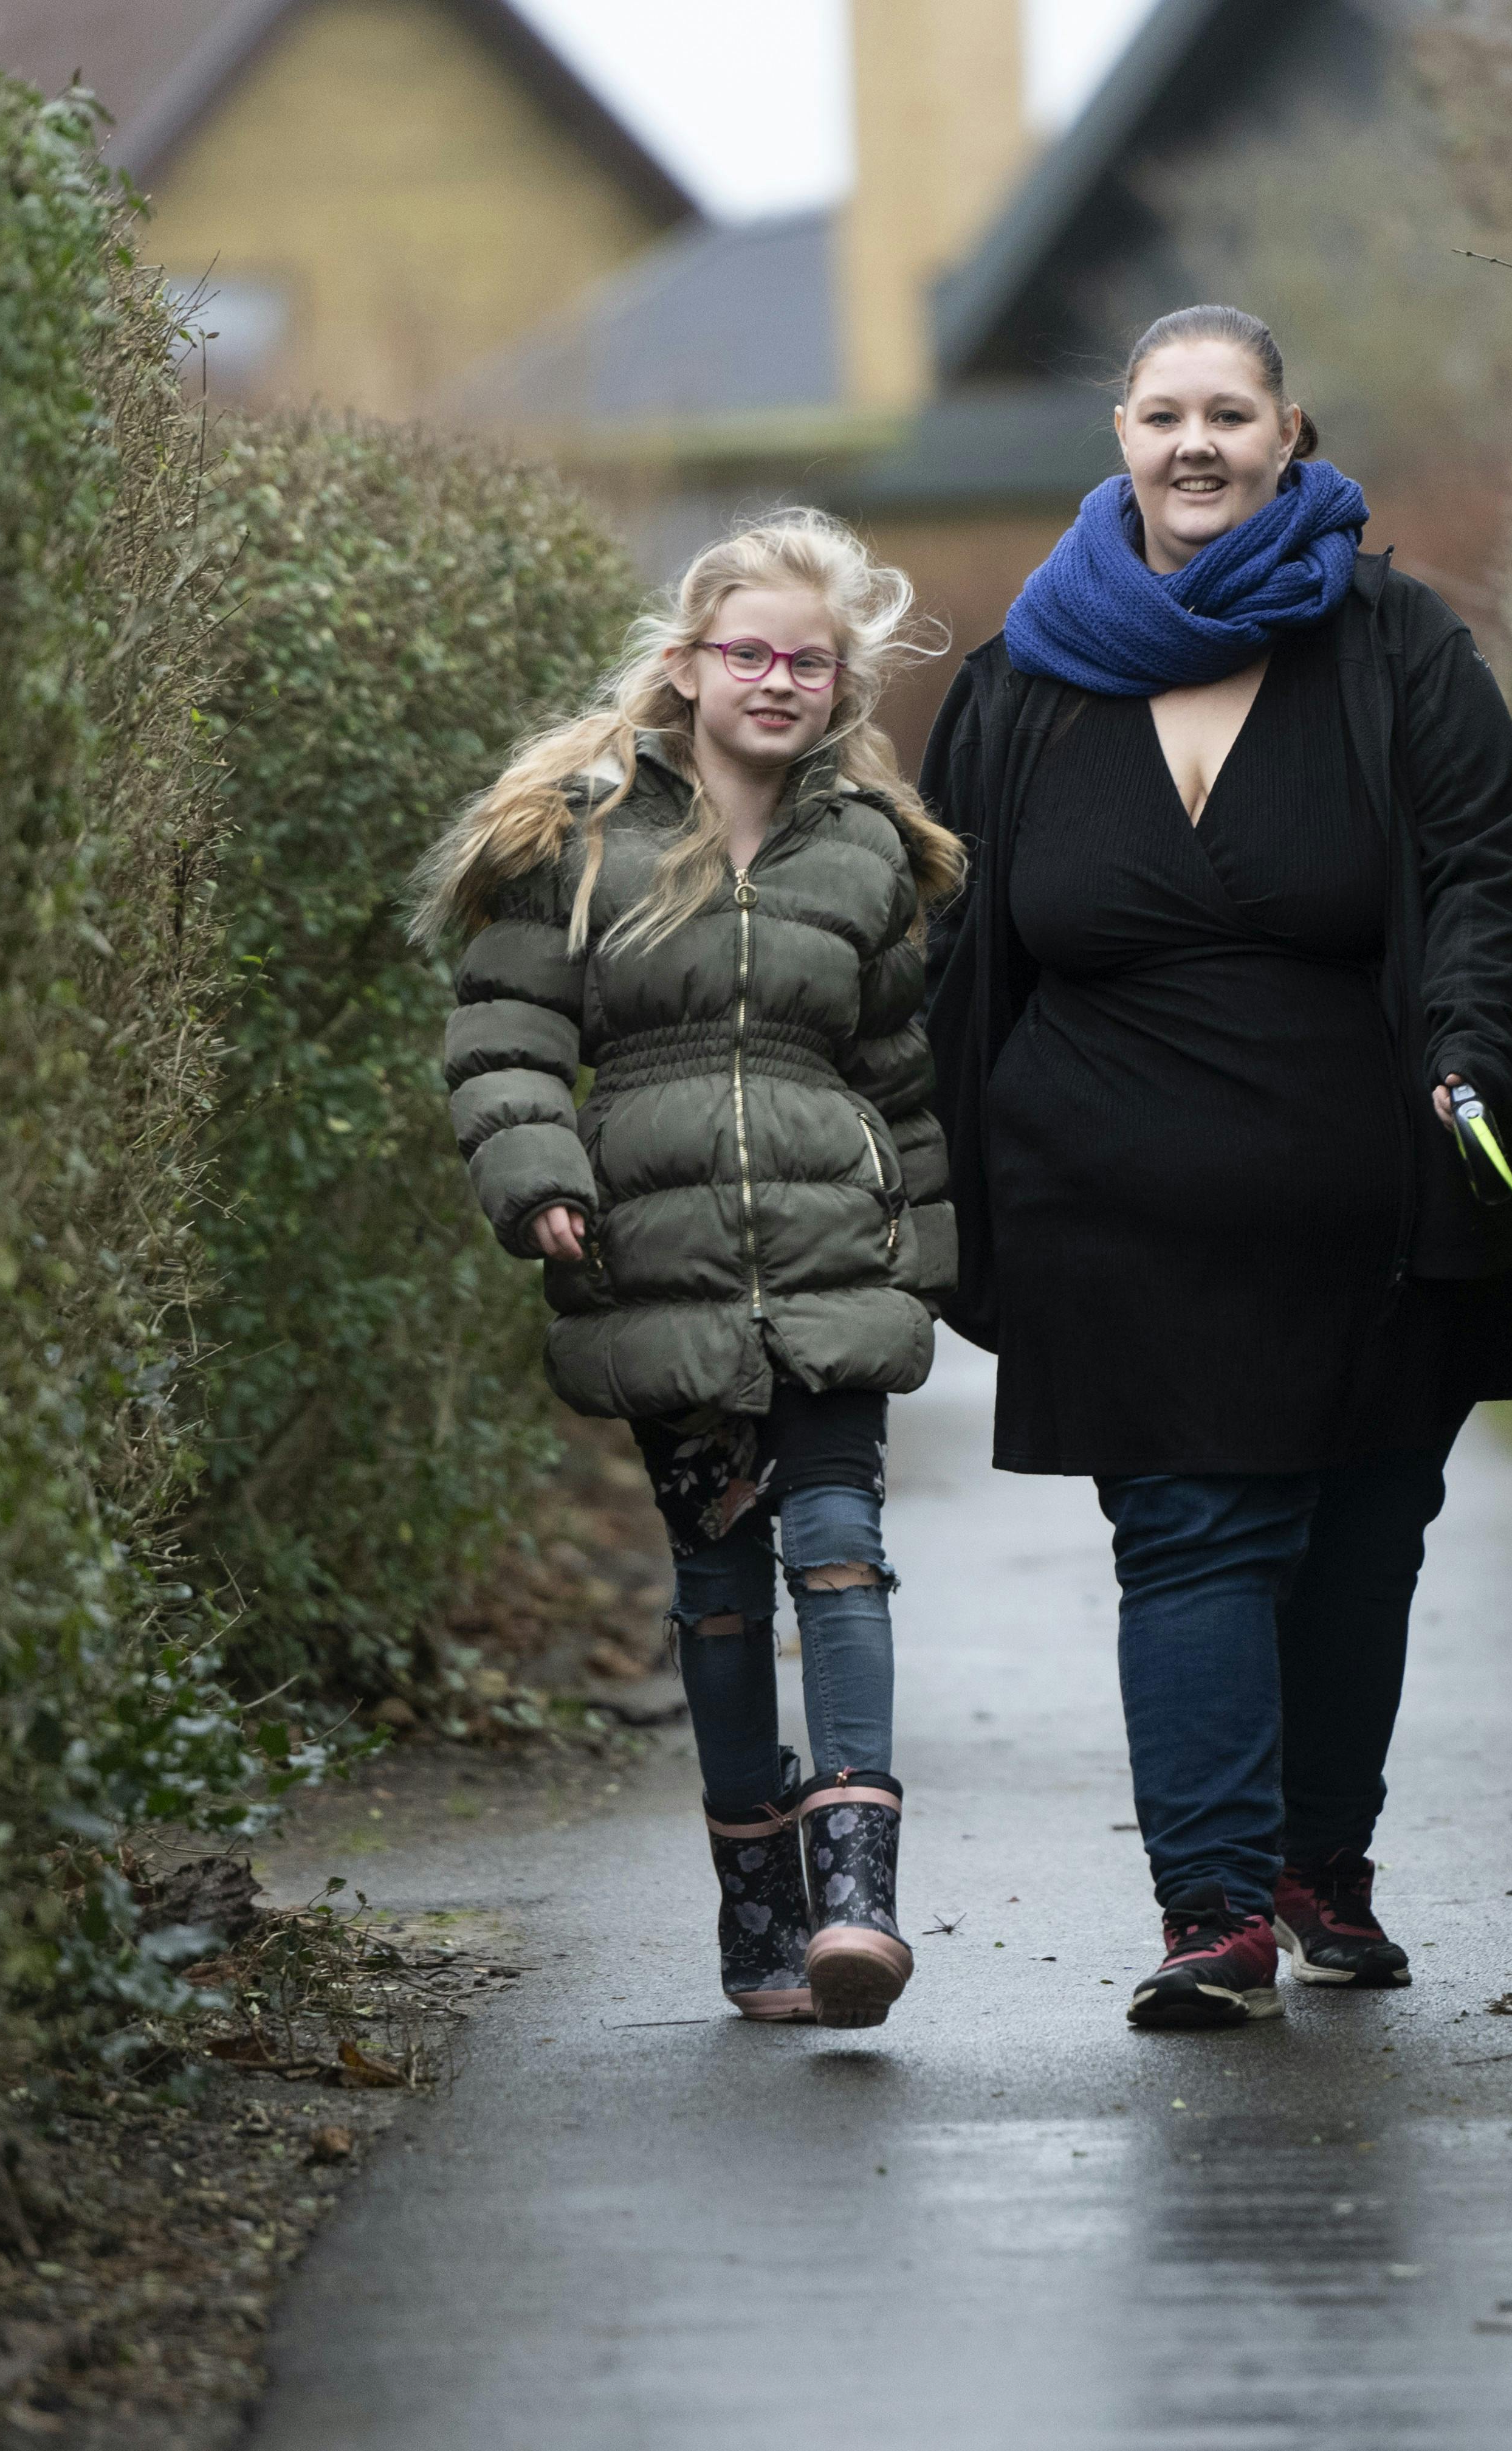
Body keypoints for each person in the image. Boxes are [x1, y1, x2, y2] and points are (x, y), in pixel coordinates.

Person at [920, 305, 1512, 2031]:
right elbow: (948, 933)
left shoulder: (1395, 647)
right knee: (1195, 1531)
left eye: (1230, 413)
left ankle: (1319, 1870)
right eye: (1162, 414)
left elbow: (1484, 862)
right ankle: (1211, 1910)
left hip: (1368, 1197)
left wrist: (1466, 1045)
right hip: (1108, 1204)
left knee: (1362, 1538)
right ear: (1121, 438)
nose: (1194, 443)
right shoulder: (1024, 678)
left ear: (1294, 432)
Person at [412, 511, 961, 2030]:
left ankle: (859, 1897)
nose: (778, 680)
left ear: (841, 685)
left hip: (832, 1257)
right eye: (751, 654)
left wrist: (924, 1250)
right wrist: (535, 1177)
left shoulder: (867, 854)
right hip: (656, 1258)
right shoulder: (578, 840)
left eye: (810, 661)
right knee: (720, 1588)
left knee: (838, 1550)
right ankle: (757, 1915)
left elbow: (901, 1075)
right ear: (690, 664)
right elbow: (508, 1037)